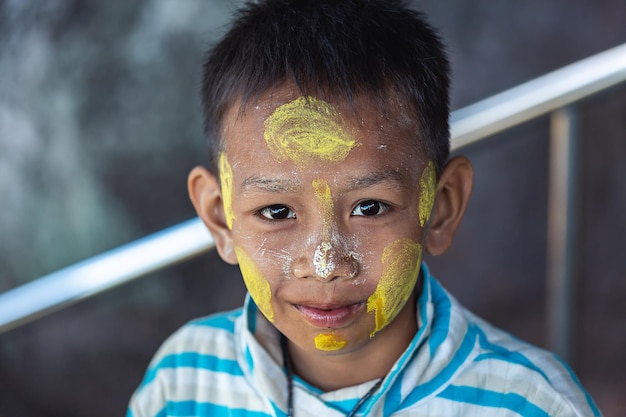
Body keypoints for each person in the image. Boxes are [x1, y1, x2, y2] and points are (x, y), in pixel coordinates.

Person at [127, 1, 600, 416]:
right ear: (219, 216)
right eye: (276, 212)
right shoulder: (182, 383)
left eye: (370, 207)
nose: (326, 263)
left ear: (441, 206)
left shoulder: (531, 404)